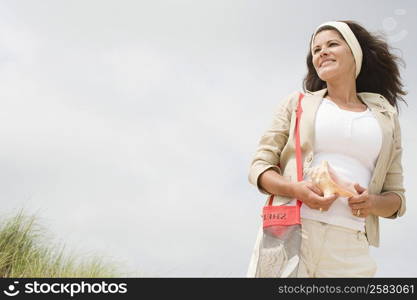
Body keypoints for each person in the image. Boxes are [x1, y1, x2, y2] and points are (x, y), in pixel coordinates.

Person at [247, 20, 406, 278]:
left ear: (355, 53)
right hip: (291, 233)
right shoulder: (297, 104)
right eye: (316, 49)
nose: (322, 52)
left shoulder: (385, 118)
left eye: (332, 44)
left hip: (350, 245)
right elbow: (259, 167)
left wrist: (372, 203)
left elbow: (396, 199)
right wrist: (294, 189)